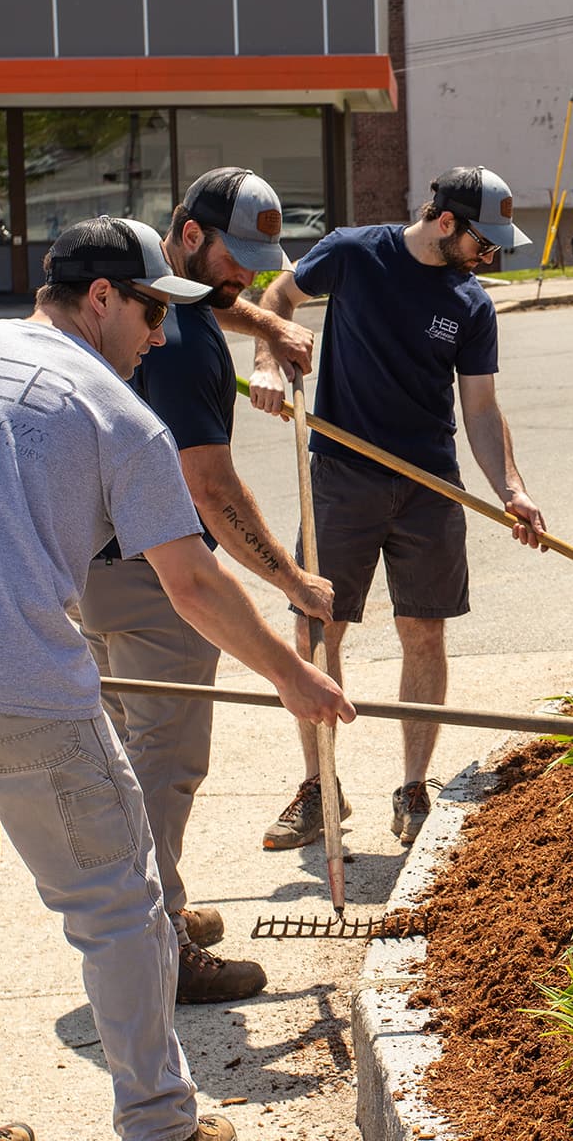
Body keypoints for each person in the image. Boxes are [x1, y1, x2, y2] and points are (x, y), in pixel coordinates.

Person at [0, 215, 352, 1141]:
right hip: (25, 690)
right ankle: (160, 1123)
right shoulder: (116, 412)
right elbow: (189, 580)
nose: (161, 335)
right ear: (100, 298)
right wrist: (291, 679)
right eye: (151, 312)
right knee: (121, 908)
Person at [77, 169, 331, 1004]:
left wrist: (267, 327)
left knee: (121, 756)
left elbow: (217, 301)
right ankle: (157, 944)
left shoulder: (154, 297)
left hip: (85, 570)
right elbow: (211, 495)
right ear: (189, 238)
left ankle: (150, 911)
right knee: (163, 762)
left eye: (263, 261)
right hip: (151, 578)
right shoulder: (179, 346)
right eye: (237, 257)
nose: (251, 276)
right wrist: (293, 582)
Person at [251, 165, 544, 849]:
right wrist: (269, 360)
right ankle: (321, 786)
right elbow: (278, 295)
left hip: (429, 486)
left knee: (425, 632)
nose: (490, 254)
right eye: (484, 240)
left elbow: (480, 407)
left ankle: (413, 788)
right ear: (447, 222)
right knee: (317, 630)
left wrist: (512, 489)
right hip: (342, 475)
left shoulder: (471, 302)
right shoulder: (354, 253)